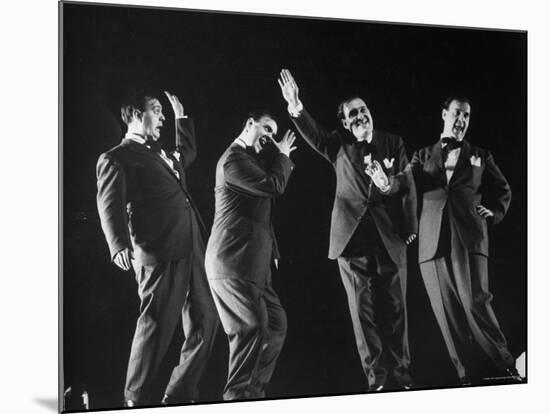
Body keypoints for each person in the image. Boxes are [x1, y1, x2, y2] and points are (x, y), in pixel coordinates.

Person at [277, 69, 417, 391]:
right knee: (362, 315)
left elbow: (406, 186)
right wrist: (296, 106)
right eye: (352, 113)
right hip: (351, 244)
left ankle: (403, 376)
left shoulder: (393, 143)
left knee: (397, 312)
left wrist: (404, 217)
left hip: (389, 240)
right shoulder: (336, 145)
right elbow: (312, 134)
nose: (360, 116)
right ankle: (377, 381)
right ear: (344, 122)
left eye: (363, 110)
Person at [96, 91, 219, 406]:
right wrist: (118, 243)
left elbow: (186, 154)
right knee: (156, 325)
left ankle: (180, 393)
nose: (162, 117)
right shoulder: (117, 157)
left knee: (206, 317)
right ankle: (134, 398)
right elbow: (109, 203)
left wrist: (181, 119)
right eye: (157, 111)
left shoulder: (162, 153)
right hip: (159, 250)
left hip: (194, 246)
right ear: (137, 113)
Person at [409, 96, 520, 385]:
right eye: (457, 113)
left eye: (467, 116)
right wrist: (387, 183)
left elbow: (503, 189)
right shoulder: (422, 156)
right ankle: (466, 376)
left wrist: (493, 212)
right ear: (444, 114)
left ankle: (505, 365)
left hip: (468, 237)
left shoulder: (481, 155)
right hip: (431, 242)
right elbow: (406, 188)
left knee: (475, 303)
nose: (462, 120)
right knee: (447, 314)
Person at [205, 111, 296, 400]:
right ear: (249, 124)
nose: (270, 137)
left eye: (274, 133)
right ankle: (236, 396)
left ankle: (251, 394)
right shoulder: (233, 159)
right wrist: (283, 155)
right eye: (266, 129)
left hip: (254, 266)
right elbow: (273, 186)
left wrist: (274, 250)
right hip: (231, 263)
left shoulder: (250, 162)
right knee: (251, 327)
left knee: (275, 323)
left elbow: (262, 211)